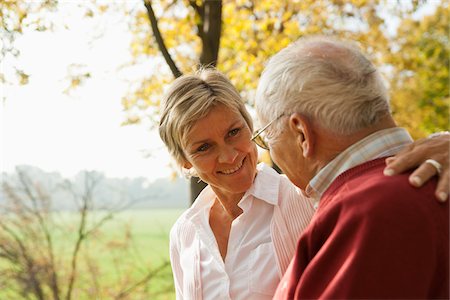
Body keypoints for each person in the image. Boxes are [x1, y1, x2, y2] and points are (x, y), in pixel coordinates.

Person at [252, 35, 449, 299]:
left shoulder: (365, 214)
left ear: (301, 134)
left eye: (266, 138)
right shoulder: (432, 180)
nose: (269, 155)